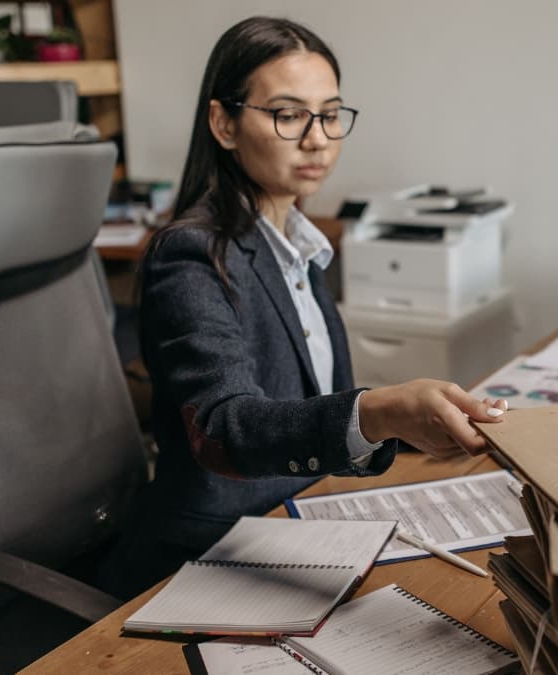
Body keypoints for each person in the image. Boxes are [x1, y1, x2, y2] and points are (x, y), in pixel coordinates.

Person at [101, 16, 507, 599]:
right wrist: (380, 411)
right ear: (224, 123)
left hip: (302, 521)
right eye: (289, 115)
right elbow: (224, 428)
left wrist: (416, 422)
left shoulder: (295, 241)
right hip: (210, 551)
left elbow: (306, 401)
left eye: (331, 113)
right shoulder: (190, 255)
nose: (318, 138)